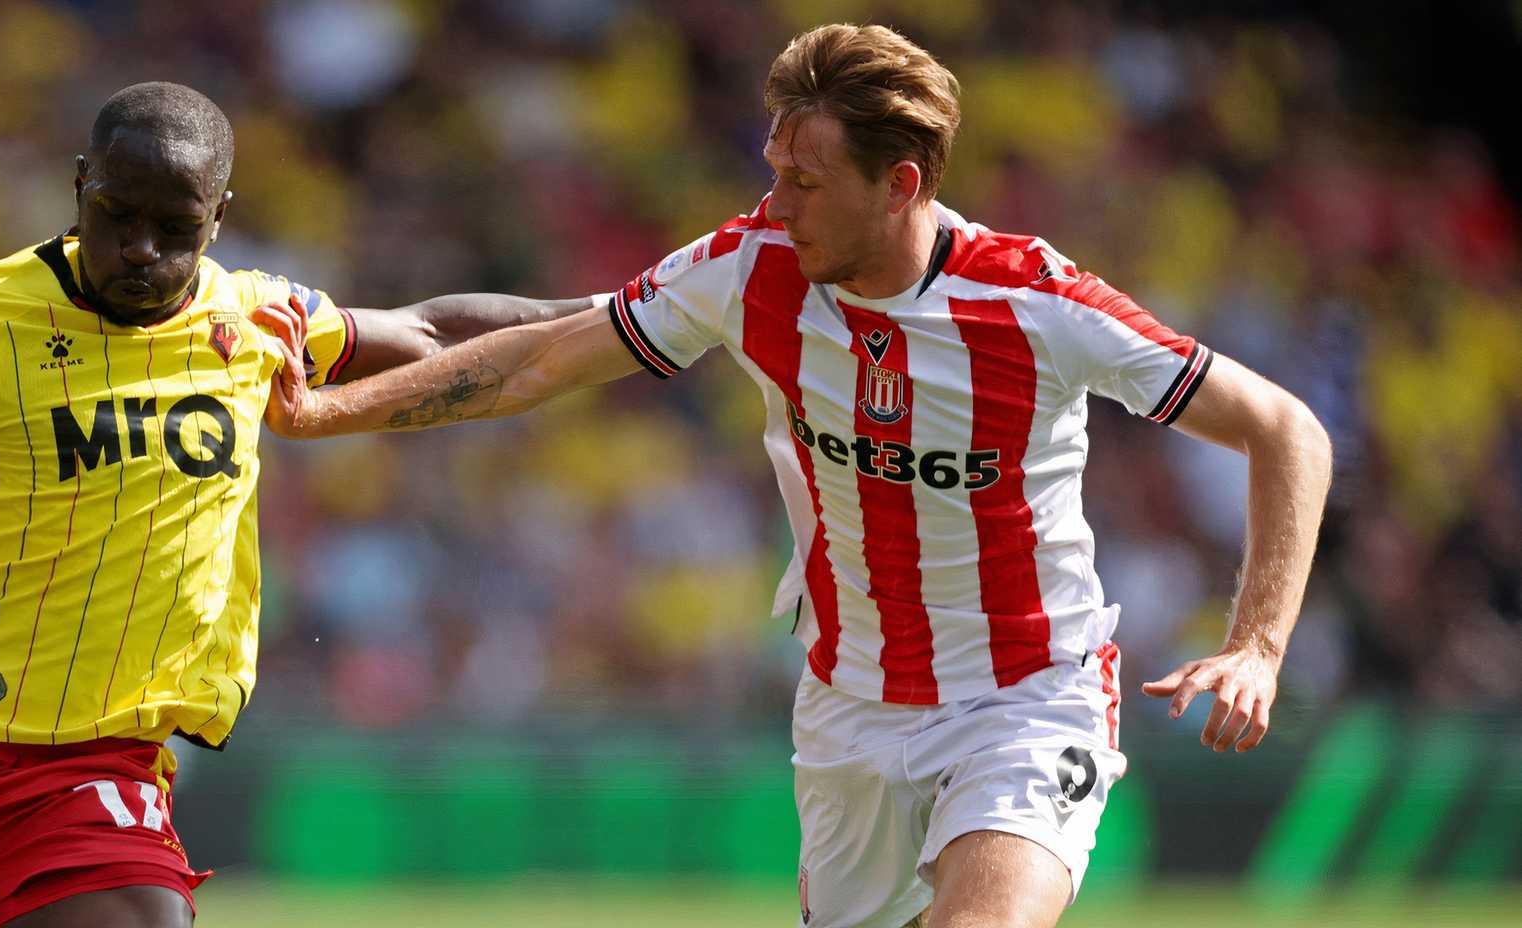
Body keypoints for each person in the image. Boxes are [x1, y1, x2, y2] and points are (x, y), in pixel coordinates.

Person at [256, 23, 1333, 928]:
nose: (776, 203)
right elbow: (540, 358)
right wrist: (326, 413)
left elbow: (1288, 429)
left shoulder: (1037, 303)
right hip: (849, 706)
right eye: (773, 170)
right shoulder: (750, 266)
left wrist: (1257, 644)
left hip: (1026, 693)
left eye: (805, 181)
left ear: (901, 182)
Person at [0, 82, 584, 928]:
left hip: (88, 766)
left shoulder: (252, 319)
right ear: (78, 185)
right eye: (115, 214)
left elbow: (428, 333)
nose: (139, 249)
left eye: (174, 229)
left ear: (218, 215)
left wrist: (633, 314)